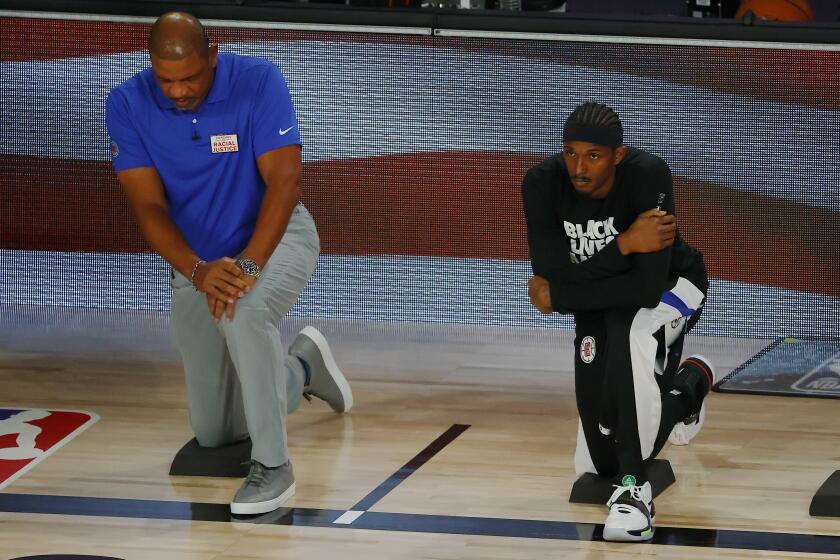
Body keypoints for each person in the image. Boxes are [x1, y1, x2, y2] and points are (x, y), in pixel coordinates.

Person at [105, 12, 353, 516]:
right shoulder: (127, 102)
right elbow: (148, 208)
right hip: (197, 263)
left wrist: (249, 271)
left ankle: (274, 467)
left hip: (275, 240)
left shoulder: (259, 81)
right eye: (166, 80)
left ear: (212, 57)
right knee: (216, 434)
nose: (177, 91)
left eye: (190, 77)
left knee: (246, 313)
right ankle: (303, 366)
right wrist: (198, 272)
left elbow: (285, 184)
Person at [522, 102, 716, 542]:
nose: (579, 166)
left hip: (674, 286)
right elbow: (551, 279)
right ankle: (690, 389)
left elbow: (645, 290)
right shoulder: (541, 183)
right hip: (603, 298)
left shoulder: (648, 176)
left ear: (618, 155)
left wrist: (564, 292)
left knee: (629, 336)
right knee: (598, 458)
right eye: (570, 152)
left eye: (593, 155)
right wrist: (625, 244)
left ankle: (635, 493)